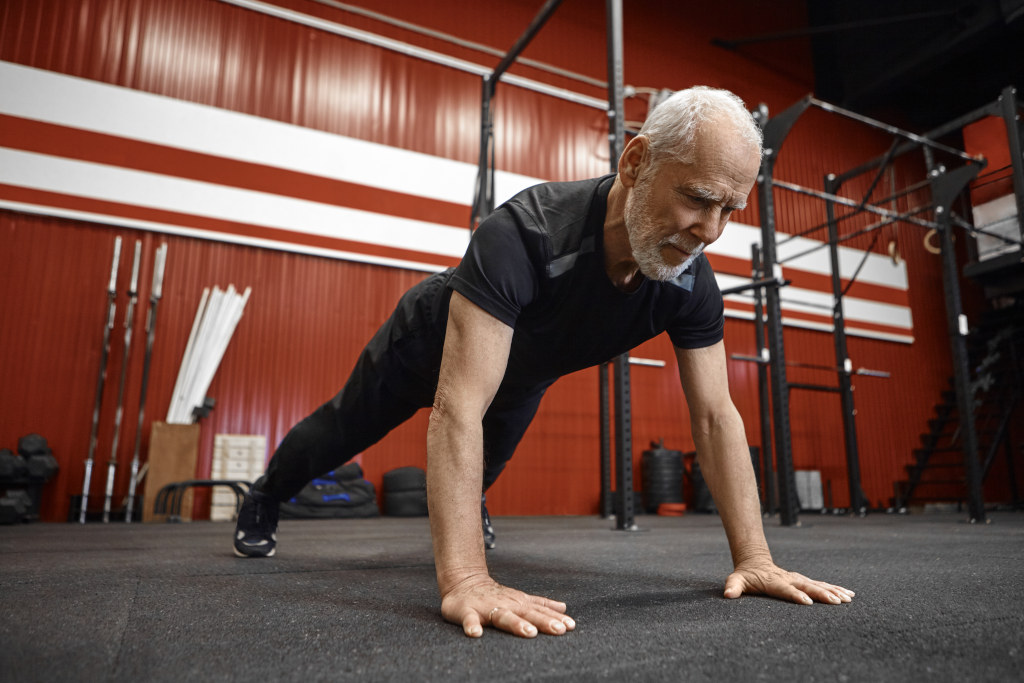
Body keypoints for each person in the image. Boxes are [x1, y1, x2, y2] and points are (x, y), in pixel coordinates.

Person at [232, 86, 855, 638]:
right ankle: (264, 497)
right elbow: (457, 407)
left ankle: (468, 504)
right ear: (635, 163)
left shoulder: (688, 282)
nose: (711, 231)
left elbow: (718, 417)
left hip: (521, 374)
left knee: (484, 474)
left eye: (730, 210)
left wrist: (755, 558)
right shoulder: (525, 232)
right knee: (340, 433)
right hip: (428, 341)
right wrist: (467, 579)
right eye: (697, 198)